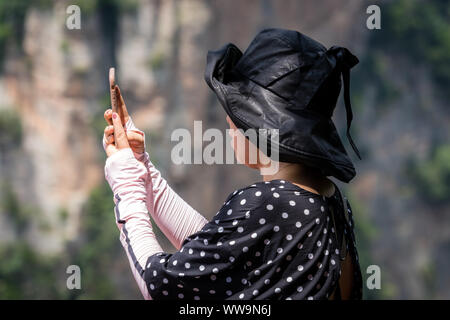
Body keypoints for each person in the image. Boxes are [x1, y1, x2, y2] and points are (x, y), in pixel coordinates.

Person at [102, 28, 363, 300]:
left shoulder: (271, 203)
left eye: (235, 116)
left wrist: (127, 186)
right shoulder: (328, 201)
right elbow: (219, 253)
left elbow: (160, 285)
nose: (229, 124)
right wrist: (142, 169)